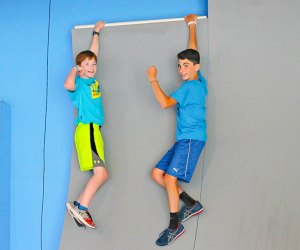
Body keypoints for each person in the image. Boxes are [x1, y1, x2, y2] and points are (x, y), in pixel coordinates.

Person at [146, 14, 207, 246]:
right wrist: (192, 25)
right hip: (184, 140)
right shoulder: (199, 80)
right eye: (179, 65)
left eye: (186, 66)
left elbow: (164, 104)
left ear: (195, 68)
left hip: (192, 139)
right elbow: (194, 52)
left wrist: (153, 80)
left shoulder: (189, 87)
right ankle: (191, 204)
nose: (181, 69)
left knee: (170, 178)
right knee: (156, 174)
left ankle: (174, 226)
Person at [64, 21, 109, 229]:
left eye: (94, 65)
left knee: (100, 174)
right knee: (102, 174)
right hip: (88, 129)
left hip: (93, 131)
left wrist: (96, 32)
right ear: (80, 69)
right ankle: (82, 208)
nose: (92, 67)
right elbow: (67, 85)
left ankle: (78, 206)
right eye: (87, 65)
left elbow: (92, 53)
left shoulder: (92, 79)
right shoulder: (80, 83)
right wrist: (76, 69)